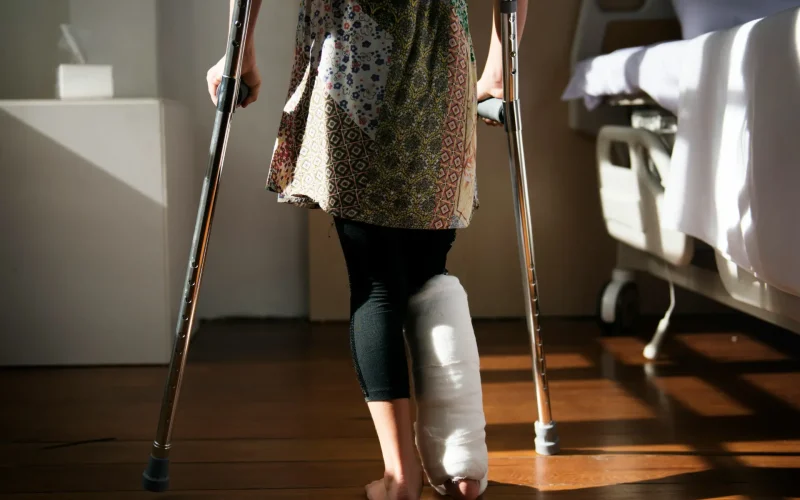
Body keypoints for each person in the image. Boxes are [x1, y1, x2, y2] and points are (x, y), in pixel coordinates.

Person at [208, 1, 528, 499]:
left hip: (354, 60)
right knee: (430, 275)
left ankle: (401, 480)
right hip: (443, 66)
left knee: (376, 283)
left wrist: (239, 49)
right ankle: (462, 466)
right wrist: (499, 67)